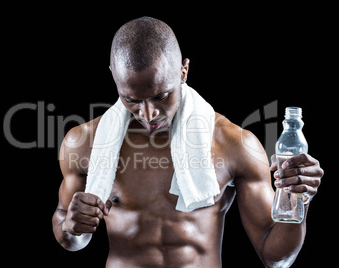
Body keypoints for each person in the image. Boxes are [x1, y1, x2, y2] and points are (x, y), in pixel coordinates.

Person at [52, 16, 324, 267]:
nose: (148, 114)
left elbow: (275, 258)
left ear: (184, 71)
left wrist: (298, 198)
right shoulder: (84, 142)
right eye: (132, 100)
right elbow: (71, 239)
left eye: (161, 96)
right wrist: (70, 227)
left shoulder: (234, 144)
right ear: (113, 75)